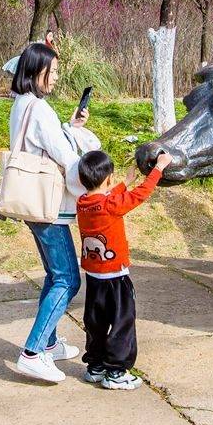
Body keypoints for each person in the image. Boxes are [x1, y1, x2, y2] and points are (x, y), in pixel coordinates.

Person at [6, 41, 99, 384]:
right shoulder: (40, 109)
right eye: (53, 71)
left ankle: (47, 342)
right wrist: (93, 175)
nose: (57, 77)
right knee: (68, 278)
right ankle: (32, 352)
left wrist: (70, 126)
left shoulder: (23, 104)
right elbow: (64, 157)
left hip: (34, 203)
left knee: (54, 274)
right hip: (49, 208)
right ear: (36, 71)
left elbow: (44, 141)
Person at [74, 148, 168, 390]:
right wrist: (158, 169)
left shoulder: (83, 203)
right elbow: (142, 194)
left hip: (94, 277)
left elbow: (104, 197)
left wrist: (124, 183)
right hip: (116, 277)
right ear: (107, 179)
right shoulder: (110, 205)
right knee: (122, 322)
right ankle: (116, 371)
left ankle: (95, 366)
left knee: (95, 321)